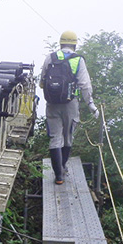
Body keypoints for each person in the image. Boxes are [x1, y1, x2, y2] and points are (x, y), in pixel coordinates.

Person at [39, 30, 99, 185]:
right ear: (74, 44)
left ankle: (58, 176)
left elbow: (42, 80)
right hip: (70, 103)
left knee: (55, 137)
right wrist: (91, 104)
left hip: (52, 103)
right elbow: (85, 85)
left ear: (60, 43)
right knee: (68, 136)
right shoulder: (78, 60)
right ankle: (63, 167)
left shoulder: (50, 57)